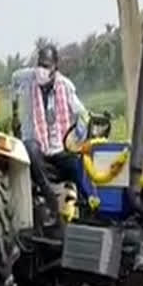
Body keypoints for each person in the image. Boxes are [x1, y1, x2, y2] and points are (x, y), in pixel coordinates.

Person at [11, 45, 87, 220]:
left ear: (55, 67)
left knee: (80, 164)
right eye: (40, 65)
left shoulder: (66, 87)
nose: (41, 70)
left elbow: (82, 114)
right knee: (29, 148)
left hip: (60, 147)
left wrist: (78, 137)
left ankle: (86, 206)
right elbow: (13, 81)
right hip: (38, 146)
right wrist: (15, 113)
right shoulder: (27, 78)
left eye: (46, 66)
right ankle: (50, 199)